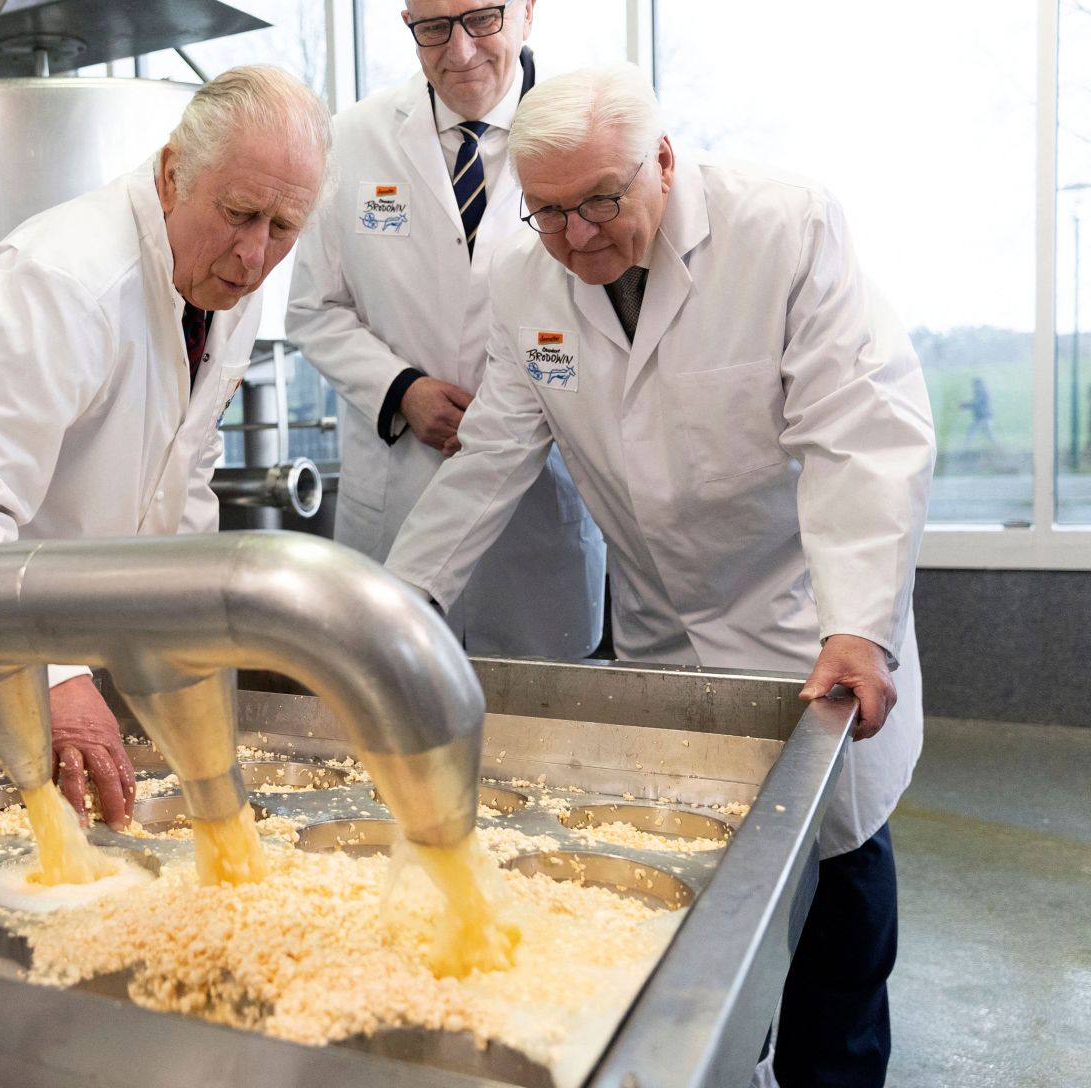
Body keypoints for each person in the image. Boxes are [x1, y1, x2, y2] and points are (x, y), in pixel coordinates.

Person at [385, 64, 934, 1087]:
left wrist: (857, 621)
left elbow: (863, 436)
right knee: (682, 899)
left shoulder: (781, 228)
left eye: (601, 200)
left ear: (664, 161)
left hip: (802, 617)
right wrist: (397, 605)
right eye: (546, 211)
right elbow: (495, 454)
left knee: (835, 907)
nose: (577, 236)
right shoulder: (519, 278)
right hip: (662, 630)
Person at [0, 66, 332, 830]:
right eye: (240, 214)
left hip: (75, 670)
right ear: (175, 172)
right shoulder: (60, 282)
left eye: (283, 230)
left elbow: (184, 481)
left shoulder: (221, 285)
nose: (253, 256)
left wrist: (185, 658)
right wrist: (50, 680)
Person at [287, 0, 605, 659]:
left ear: (526, 12)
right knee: (393, 709)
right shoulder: (354, 138)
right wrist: (400, 388)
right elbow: (312, 308)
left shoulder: (586, 138)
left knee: (541, 735)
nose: (458, 52)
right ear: (407, 22)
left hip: (536, 508)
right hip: (398, 487)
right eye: (432, 27)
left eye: (482, 19)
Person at [959, 376, 998, 451]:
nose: (973, 387)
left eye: (975, 385)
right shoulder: (982, 392)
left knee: (971, 432)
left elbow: (976, 403)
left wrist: (964, 405)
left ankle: (965, 448)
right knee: (989, 435)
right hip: (984, 417)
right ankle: (998, 448)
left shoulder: (981, 392)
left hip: (983, 418)